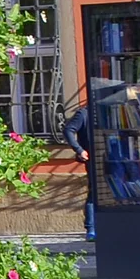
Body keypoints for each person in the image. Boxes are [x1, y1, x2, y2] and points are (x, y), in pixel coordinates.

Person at [61, 103, 95, 240]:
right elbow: (68, 130)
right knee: (94, 193)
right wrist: (79, 150)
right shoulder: (84, 113)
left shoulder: (108, 110)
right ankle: (91, 229)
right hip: (93, 158)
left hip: (110, 156)